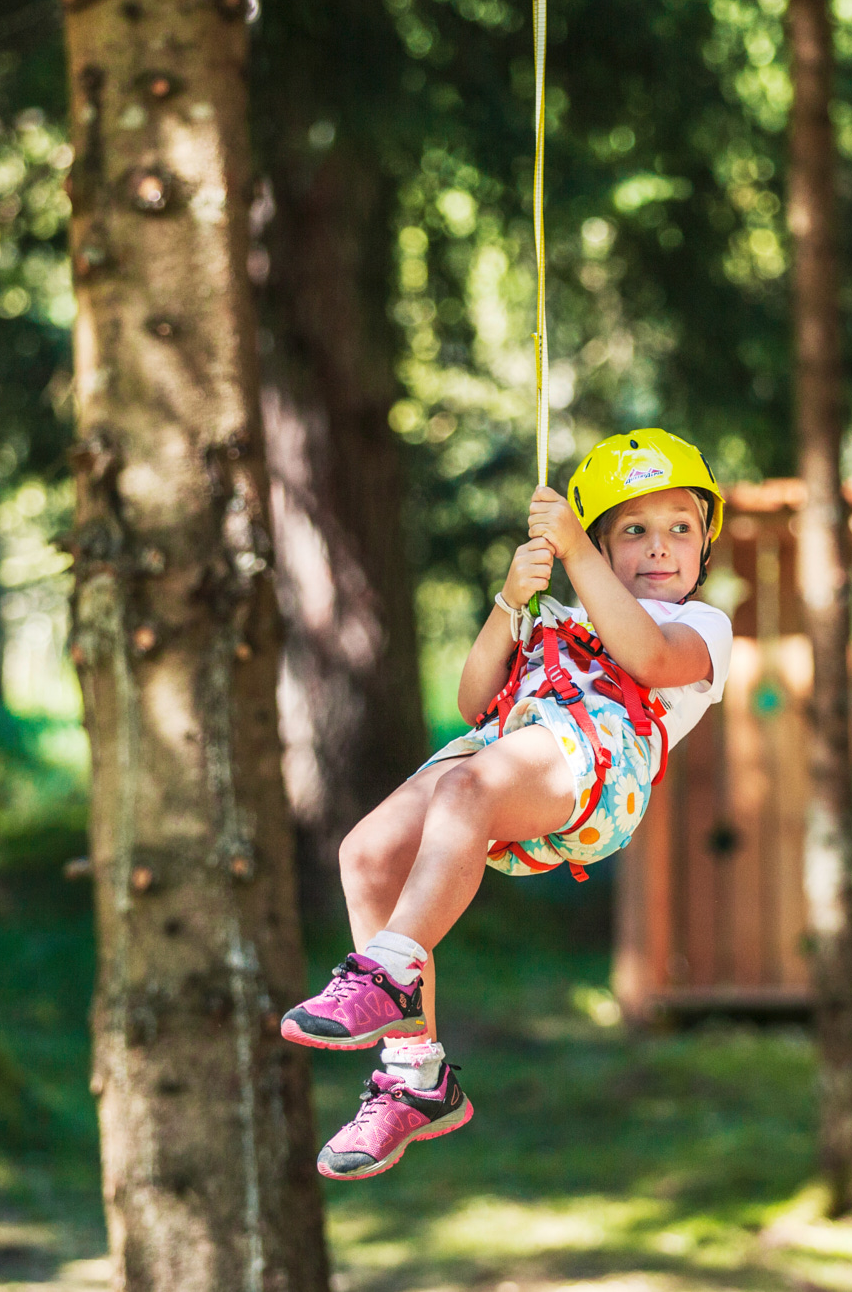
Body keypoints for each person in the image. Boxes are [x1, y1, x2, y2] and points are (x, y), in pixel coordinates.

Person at [279, 428, 733, 1180]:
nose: (660, 547)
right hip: (506, 747)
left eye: (680, 528)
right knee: (365, 852)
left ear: (704, 546)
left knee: (467, 784)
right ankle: (414, 1076)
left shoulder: (699, 624)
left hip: (595, 767)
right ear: (603, 542)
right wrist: (511, 600)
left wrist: (578, 558)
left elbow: (648, 660)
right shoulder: (561, 615)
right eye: (635, 531)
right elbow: (472, 699)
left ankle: (387, 970)